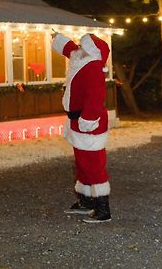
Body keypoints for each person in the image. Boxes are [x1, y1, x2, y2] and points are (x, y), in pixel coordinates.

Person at [52, 31, 111, 223]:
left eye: (82, 46)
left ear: (91, 51)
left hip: (89, 125)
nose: (79, 48)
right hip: (78, 123)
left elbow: (95, 98)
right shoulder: (82, 61)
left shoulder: (93, 68)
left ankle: (103, 209)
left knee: (94, 166)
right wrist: (58, 39)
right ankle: (86, 201)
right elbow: (71, 51)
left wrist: (88, 120)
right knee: (82, 164)